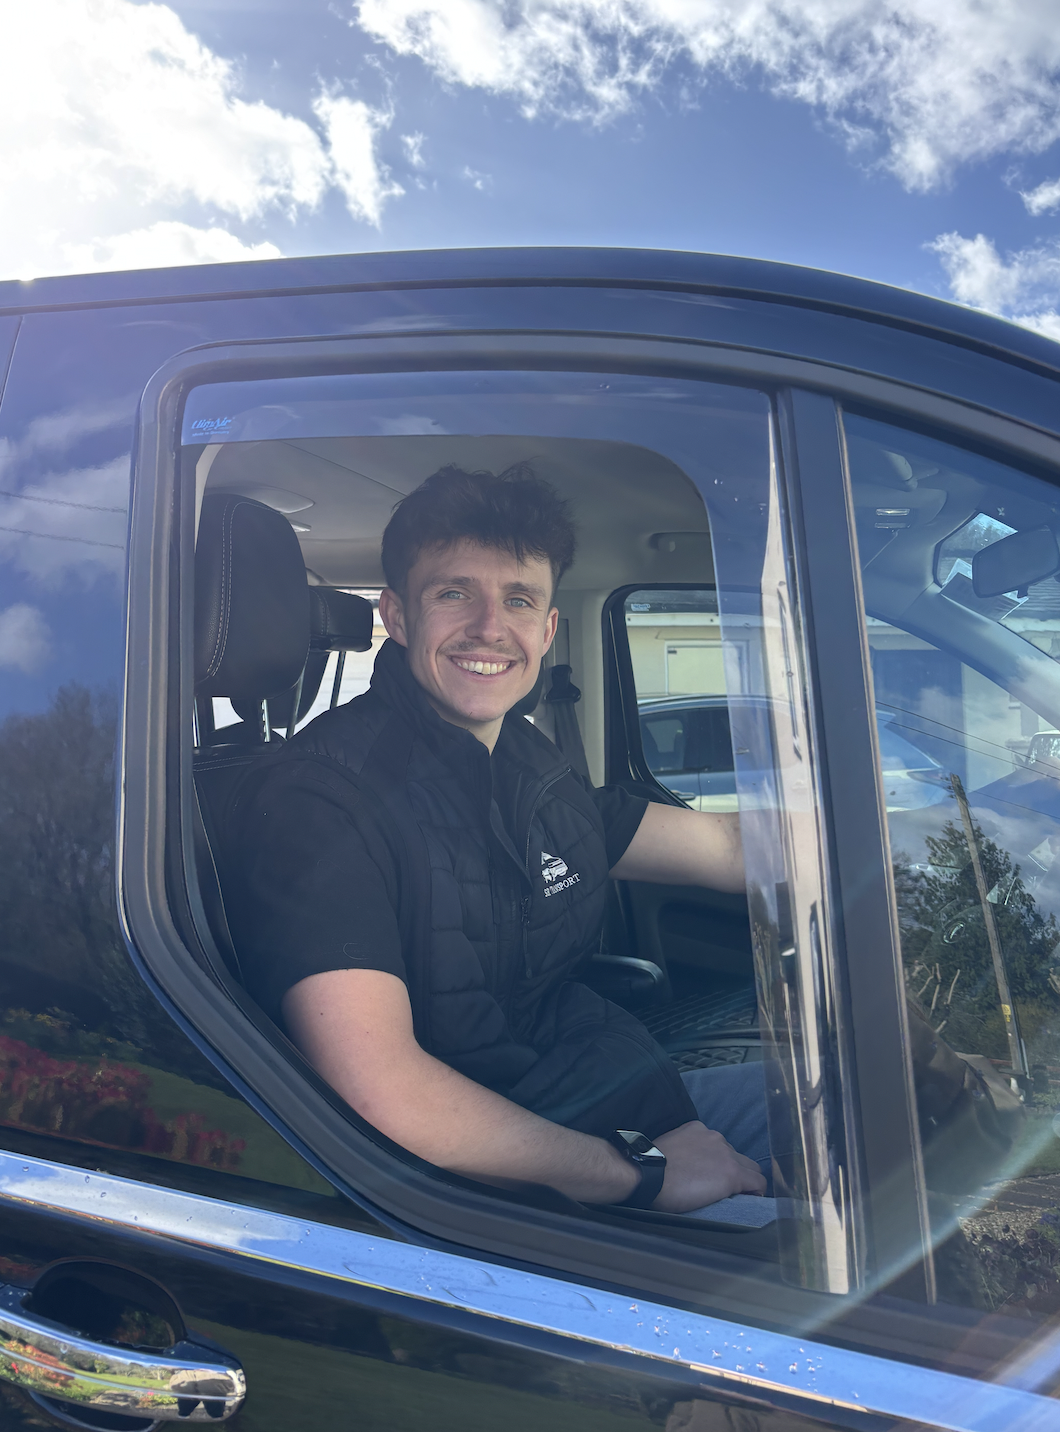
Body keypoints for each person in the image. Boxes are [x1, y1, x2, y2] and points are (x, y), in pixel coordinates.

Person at [226, 465, 769, 1213]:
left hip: (619, 1104)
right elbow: (380, 1087)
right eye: (454, 593)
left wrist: (911, 854)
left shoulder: (527, 763)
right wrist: (639, 1177)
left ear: (546, 629)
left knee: (874, 1098)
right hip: (512, 1197)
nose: (489, 626)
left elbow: (736, 849)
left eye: (518, 599)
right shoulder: (321, 799)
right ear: (398, 616)